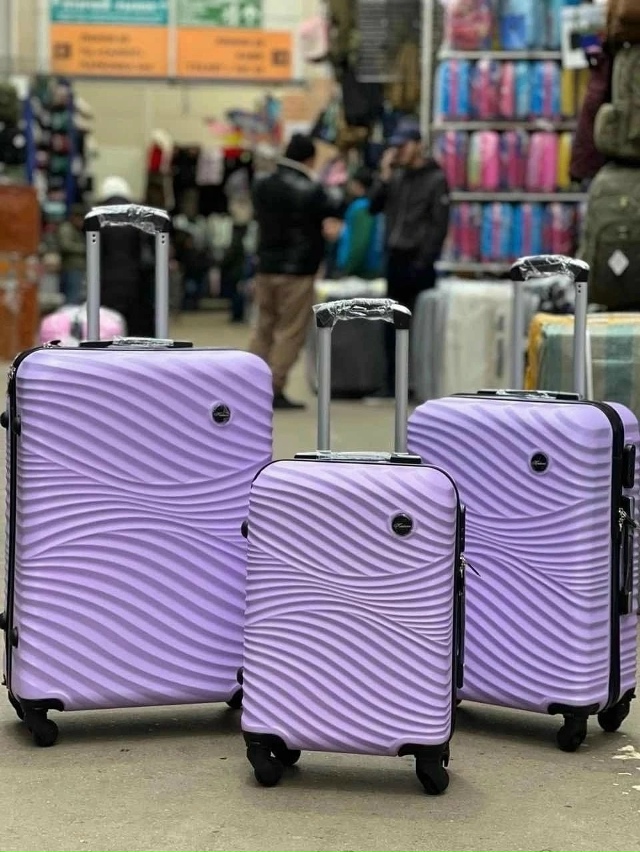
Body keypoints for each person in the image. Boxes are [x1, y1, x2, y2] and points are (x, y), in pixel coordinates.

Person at [249, 133, 342, 410]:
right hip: (298, 270)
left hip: (265, 268)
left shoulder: (261, 185)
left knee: (263, 328)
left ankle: (249, 385)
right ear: (309, 159)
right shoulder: (310, 190)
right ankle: (273, 387)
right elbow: (334, 206)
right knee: (290, 331)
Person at [369, 119, 451, 398]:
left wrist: (424, 260)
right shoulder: (397, 178)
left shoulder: (435, 179)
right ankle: (391, 383)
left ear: (417, 145)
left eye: (403, 145)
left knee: (418, 328)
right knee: (390, 324)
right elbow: (373, 206)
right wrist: (384, 175)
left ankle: (415, 383)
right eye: (396, 146)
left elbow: (438, 225)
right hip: (395, 258)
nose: (399, 151)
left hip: (418, 261)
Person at [97, 176, 155, 337]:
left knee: (109, 323)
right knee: (136, 325)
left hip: (106, 279)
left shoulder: (98, 217)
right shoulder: (139, 216)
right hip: (136, 278)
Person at [328, 167, 384, 280]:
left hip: (360, 270)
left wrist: (350, 268)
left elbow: (360, 241)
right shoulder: (369, 205)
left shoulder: (361, 208)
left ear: (357, 184)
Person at [57, 203, 86, 304]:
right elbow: (66, 245)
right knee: (72, 297)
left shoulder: (77, 230)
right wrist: (85, 248)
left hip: (77, 267)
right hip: (71, 267)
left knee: (75, 295)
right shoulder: (66, 228)